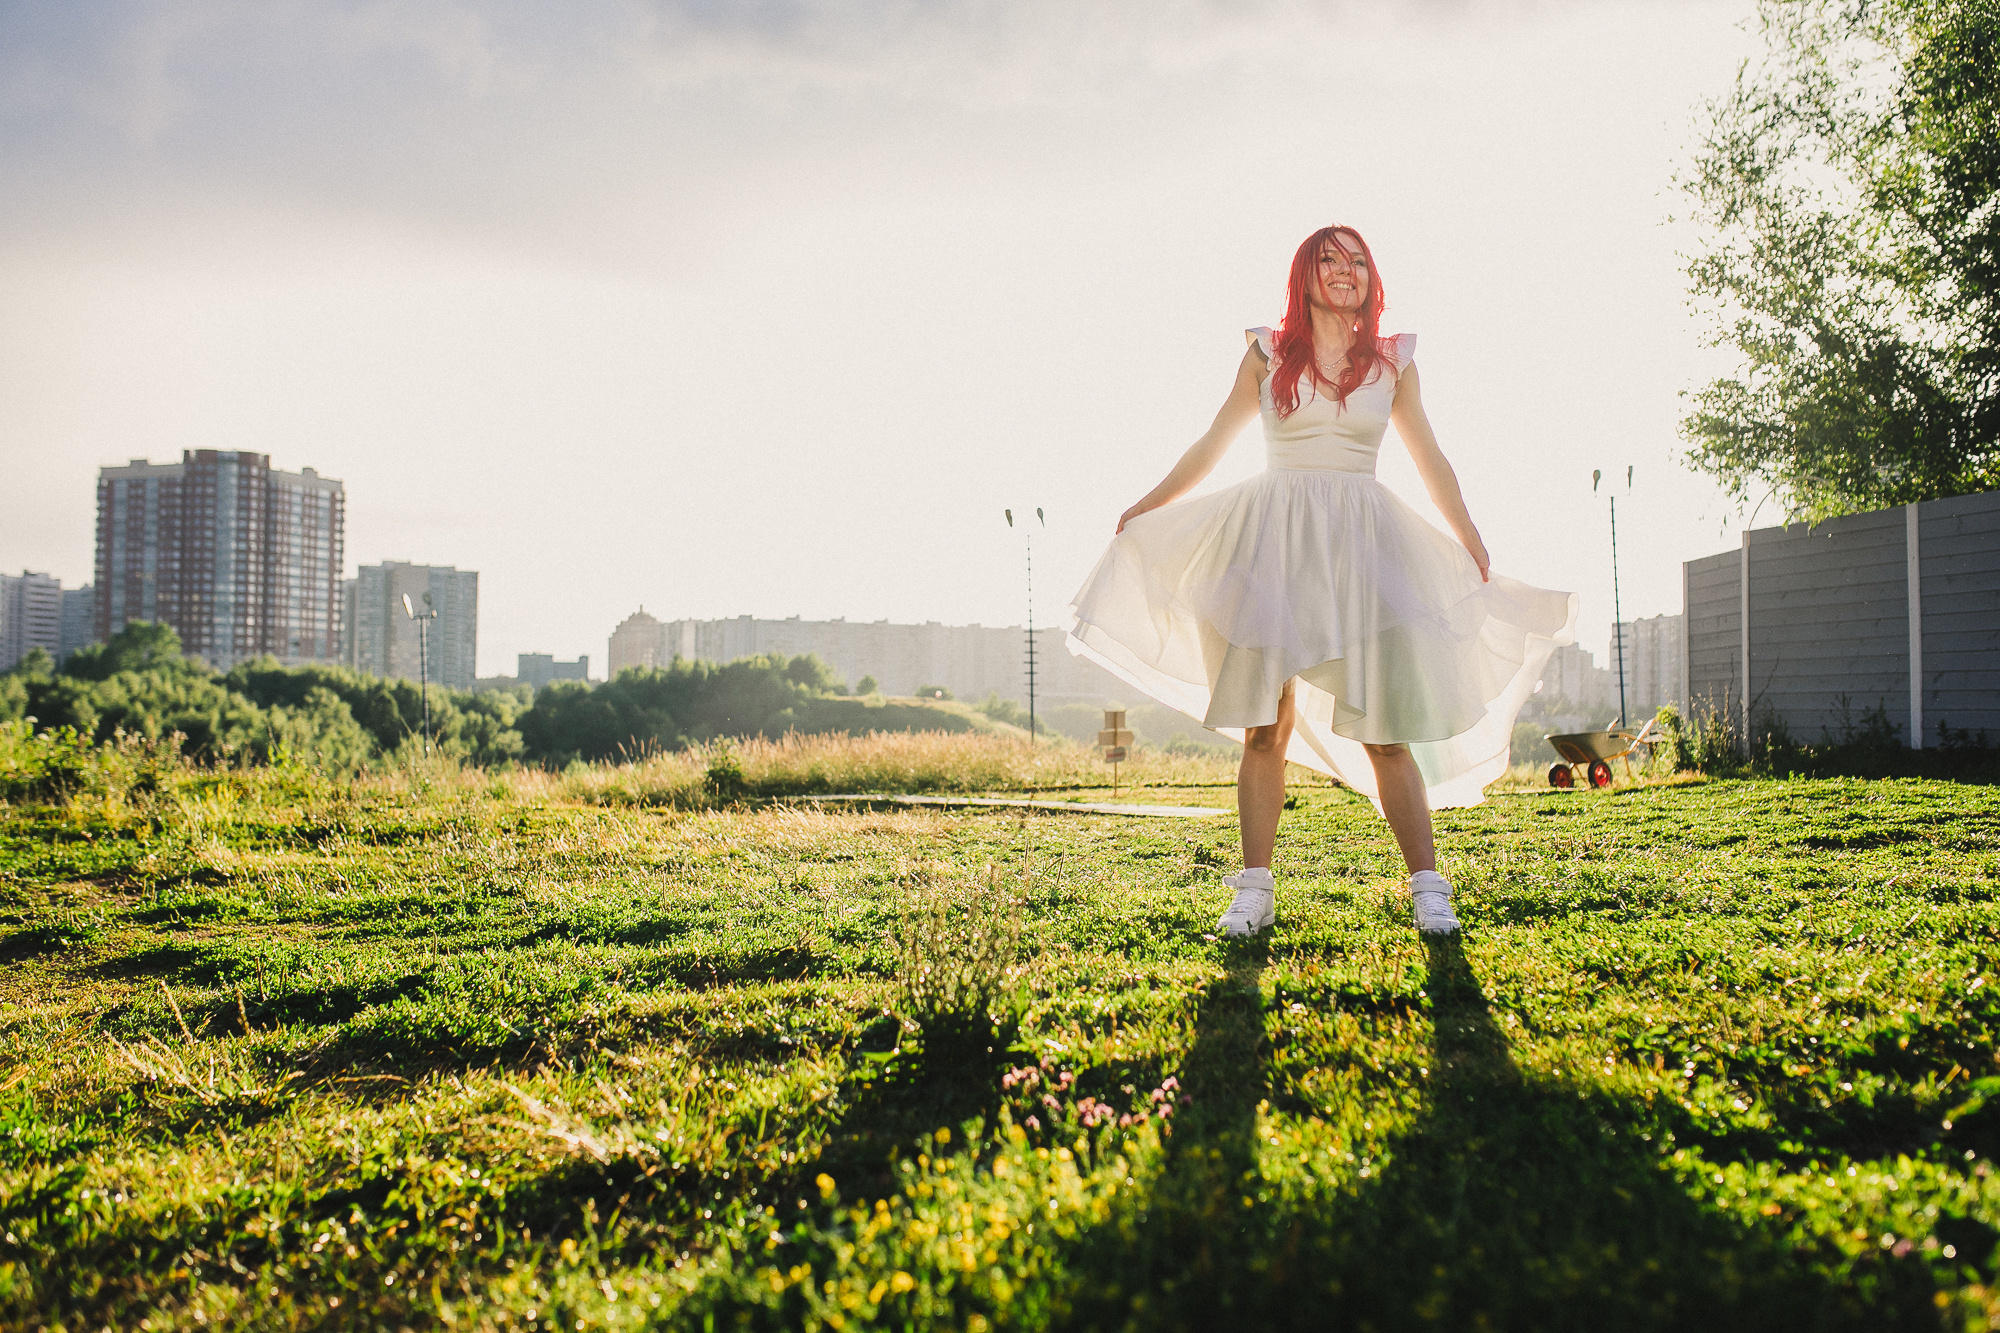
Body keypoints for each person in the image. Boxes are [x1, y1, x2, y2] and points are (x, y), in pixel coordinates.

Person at [1064, 225, 1577, 937]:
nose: (1345, 270)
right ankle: (1254, 890)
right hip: (1270, 546)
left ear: (1373, 279)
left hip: (1363, 553)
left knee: (1386, 731)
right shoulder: (1266, 354)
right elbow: (1213, 444)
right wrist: (1149, 505)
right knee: (1265, 728)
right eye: (1328, 259)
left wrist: (1471, 538)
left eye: (1357, 261)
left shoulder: (1393, 365)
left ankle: (1430, 888)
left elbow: (1431, 460)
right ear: (1303, 276)